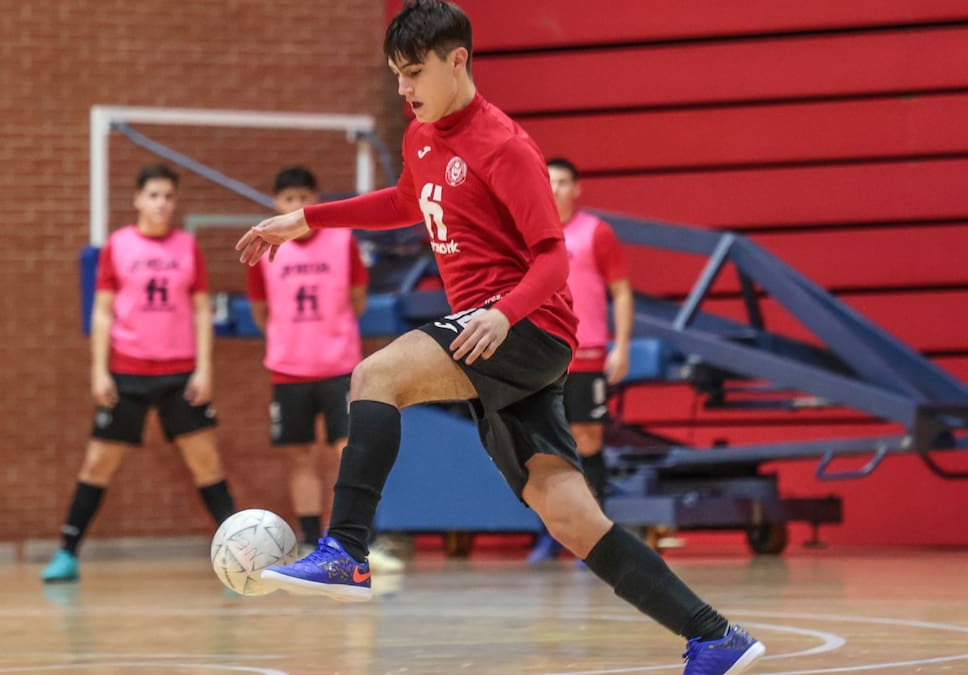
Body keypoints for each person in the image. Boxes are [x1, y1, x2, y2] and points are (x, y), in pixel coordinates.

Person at [235, 2, 763, 673]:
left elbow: (553, 259)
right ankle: (715, 636)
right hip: (501, 341)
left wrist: (505, 313)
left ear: (459, 60)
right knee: (569, 516)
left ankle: (346, 550)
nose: (403, 89)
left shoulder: (505, 145)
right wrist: (308, 218)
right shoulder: (421, 135)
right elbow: (405, 199)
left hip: (527, 327)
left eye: (413, 73)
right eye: (395, 74)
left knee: (375, 376)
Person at [42, 164, 236, 583]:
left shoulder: (188, 246)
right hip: (127, 371)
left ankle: (237, 555)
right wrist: (99, 372)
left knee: (206, 463)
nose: (161, 203)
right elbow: (103, 311)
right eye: (153, 195)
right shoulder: (118, 245)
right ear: (137, 199)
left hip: (180, 371)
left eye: (168, 196)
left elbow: (202, 313)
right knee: (98, 463)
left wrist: (204, 369)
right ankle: (67, 552)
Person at [247, 166, 406, 572]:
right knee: (300, 456)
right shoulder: (265, 248)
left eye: (304, 196)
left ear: (317, 200)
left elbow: (357, 300)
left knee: (347, 453)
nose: (296, 205)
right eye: (287, 198)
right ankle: (306, 541)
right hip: (288, 368)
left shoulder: (341, 241)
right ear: (275, 204)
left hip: (339, 367)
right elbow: (261, 311)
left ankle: (355, 541)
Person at [527, 158, 634, 564]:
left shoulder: (596, 232)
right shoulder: (528, 235)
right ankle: (549, 536)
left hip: (587, 353)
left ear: (577, 188)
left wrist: (620, 345)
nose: (554, 189)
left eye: (563, 182)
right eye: (548, 182)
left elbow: (621, 291)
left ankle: (598, 539)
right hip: (542, 354)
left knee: (588, 440)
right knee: (544, 447)